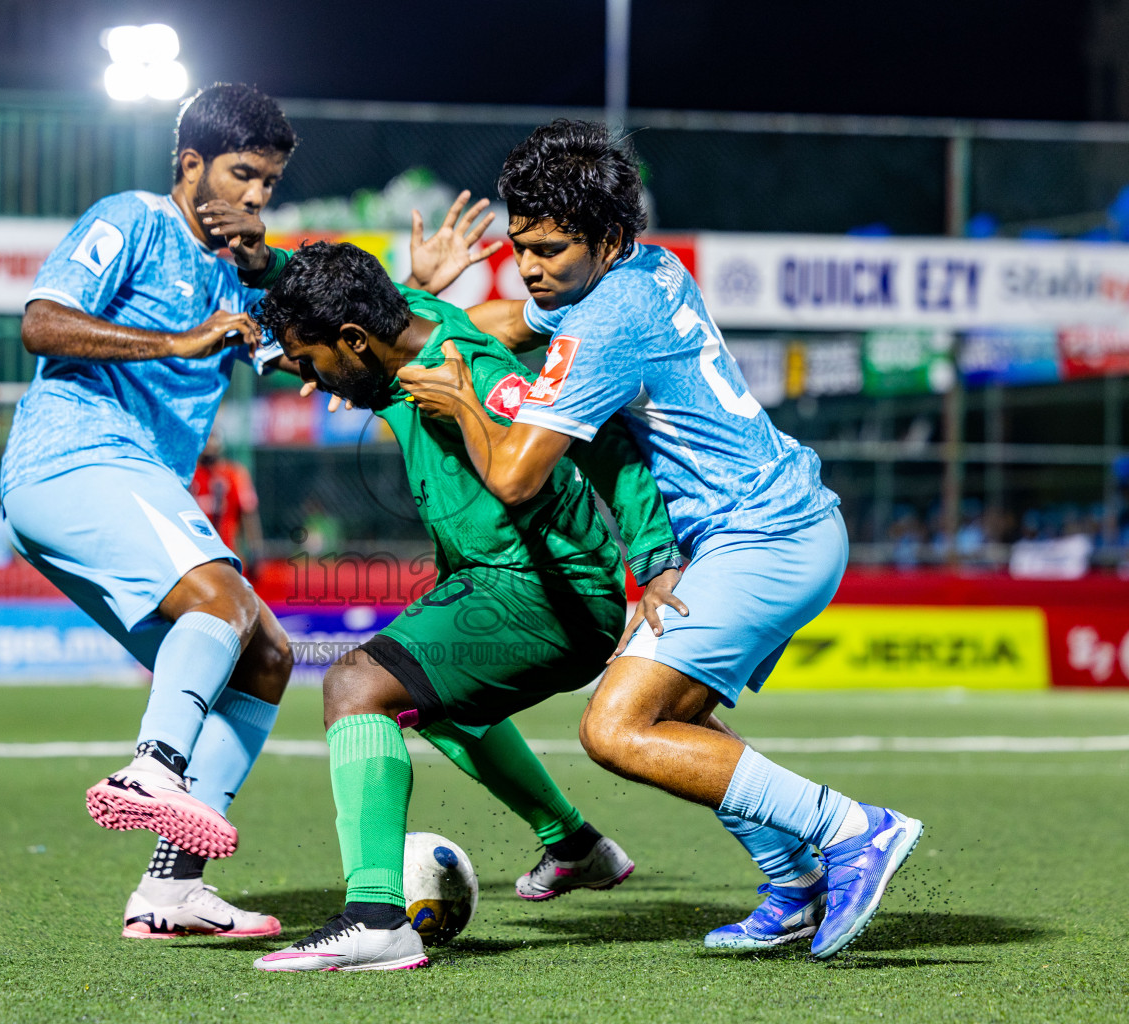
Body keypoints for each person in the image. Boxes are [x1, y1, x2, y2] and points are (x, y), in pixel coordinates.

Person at [399, 120, 923, 959]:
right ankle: (793, 882)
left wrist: (461, 401)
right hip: (777, 527)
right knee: (679, 714)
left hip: (764, 539)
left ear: (605, 239)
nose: (530, 266)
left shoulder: (605, 324)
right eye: (520, 244)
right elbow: (508, 322)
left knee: (615, 728)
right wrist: (423, 310)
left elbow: (514, 479)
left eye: (549, 250)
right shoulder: (644, 268)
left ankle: (855, 830)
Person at [248, 242, 686, 972]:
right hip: (495, 580)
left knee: (356, 686)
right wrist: (261, 255)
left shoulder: (468, 375)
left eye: (312, 360)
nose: (312, 379)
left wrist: (653, 559)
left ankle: (376, 919)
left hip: (549, 592)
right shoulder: (396, 326)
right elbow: (341, 287)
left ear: (354, 341)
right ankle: (576, 845)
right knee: (427, 700)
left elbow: (603, 438)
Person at [0, 83, 301, 940]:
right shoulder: (132, 218)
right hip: (72, 455)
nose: (254, 197)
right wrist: (178, 341)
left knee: (266, 657)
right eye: (242, 175)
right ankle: (151, 771)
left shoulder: (237, 270)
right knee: (223, 601)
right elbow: (43, 324)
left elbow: (307, 367)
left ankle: (170, 891)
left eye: (269, 184)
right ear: (191, 164)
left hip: (133, 482)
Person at [191, 430, 262, 566]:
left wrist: (255, 549)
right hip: (195, 554)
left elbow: (248, 512)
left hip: (226, 552)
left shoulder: (232, 473)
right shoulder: (191, 476)